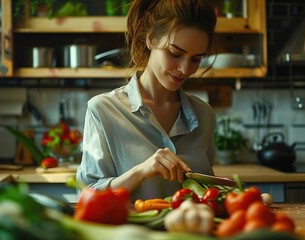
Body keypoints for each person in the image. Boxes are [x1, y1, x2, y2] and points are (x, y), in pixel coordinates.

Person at [76, 0, 218, 201]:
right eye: (175, 53)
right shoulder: (103, 110)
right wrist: (140, 172)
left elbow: (206, 195)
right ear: (150, 39)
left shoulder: (205, 115)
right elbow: (85, 196)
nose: (185, 69)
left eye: (196, 59)